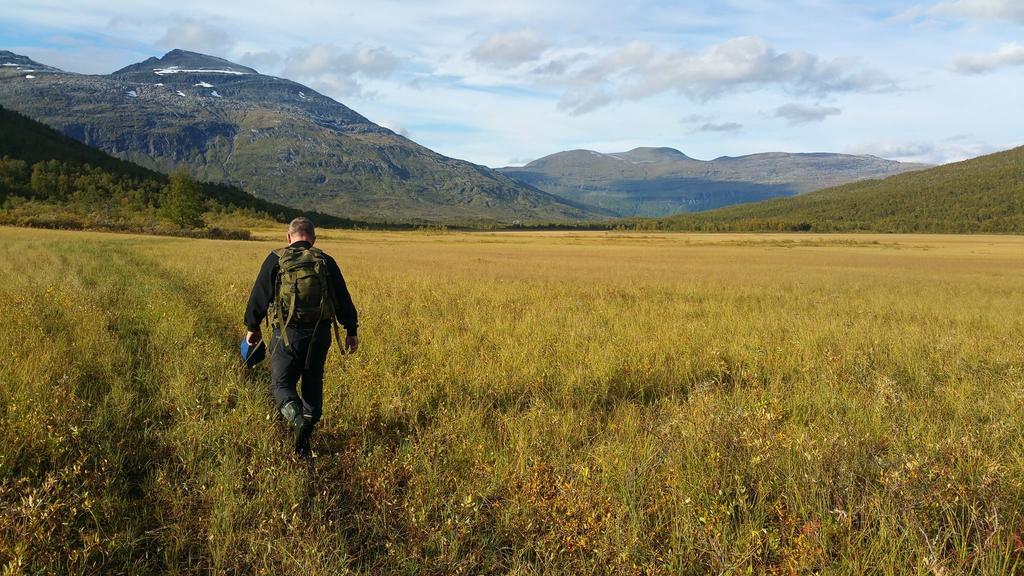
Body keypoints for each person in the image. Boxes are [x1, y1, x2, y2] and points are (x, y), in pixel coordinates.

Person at [244, 217, 358, 456]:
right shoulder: (325, 261)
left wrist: (252, 327)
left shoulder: (276, 258)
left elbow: (259, 296)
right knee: (312, 383)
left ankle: (297, 420)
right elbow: (343, 300)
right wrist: (351, 330)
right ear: (313, 239)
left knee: (282, 384)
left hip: (286, 334)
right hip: (320, 335)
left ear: (289, 238)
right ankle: (305, 435)